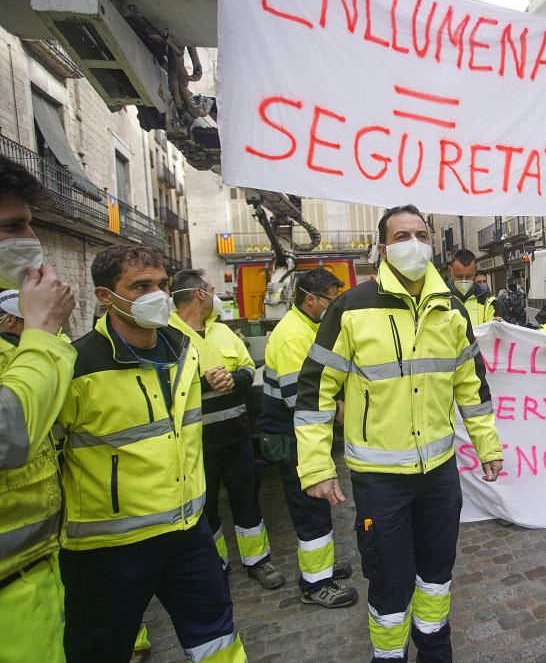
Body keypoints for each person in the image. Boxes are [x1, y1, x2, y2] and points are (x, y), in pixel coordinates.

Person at [295, 205, 503, 663]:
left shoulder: (450, 308)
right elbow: (315, 391)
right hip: (379, 479)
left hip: (438, 477)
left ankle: (435, 652)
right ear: (383, 248)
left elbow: (471, 385)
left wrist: (488, 446)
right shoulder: (350, 307)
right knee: (389, 582)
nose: (414, 243)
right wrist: (315, 466)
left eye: (421, 234)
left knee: (436, 575)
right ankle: (387, 657)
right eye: (402, 235)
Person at [57, 244, 246, 663]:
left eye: (161, 284)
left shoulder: (183, 347)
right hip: (110, 547)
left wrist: (226, 377)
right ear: (105, 296)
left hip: (188, 531)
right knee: (102, 648)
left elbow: (218, 386)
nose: (157, 295)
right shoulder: (76, 365)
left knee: (218, 639)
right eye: (140, 286)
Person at [0, 156, 76, 663]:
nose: (29, 239)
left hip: (36, 578)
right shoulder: (36, 334)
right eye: (11, 227)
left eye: (27, 223)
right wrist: (41, 332)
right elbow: (12, 433)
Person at [170, 269, 284, 589]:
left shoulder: (222, 332)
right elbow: (163, 388)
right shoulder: (167, 336)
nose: (215, 294)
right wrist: (201, 382)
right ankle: (215, 565)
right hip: (195, 444)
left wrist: (235, 380)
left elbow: (249, 367)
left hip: (236, 438)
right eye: (210, 288)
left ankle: (258, 561)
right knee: (205, 509)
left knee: (246, 500)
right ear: (198, 294)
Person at [257, 267, 357, 608]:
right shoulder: (292, 336)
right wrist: (350, 415)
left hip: (303, 434)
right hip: (292, 437)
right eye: (332, 300)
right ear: (310, 299)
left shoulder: (311, 326)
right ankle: (315, 586)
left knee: (319, 506)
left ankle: (323, 569)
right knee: (309, 508)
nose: (336, 306)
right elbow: (300, 399)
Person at [446, 250, 500, 325]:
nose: (464, 280)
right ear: (450, 271)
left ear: (475, 271)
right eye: (459, 276)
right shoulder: (441, 300)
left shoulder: (489, 302)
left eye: (468, 276)